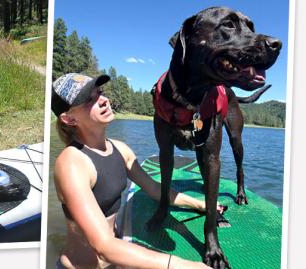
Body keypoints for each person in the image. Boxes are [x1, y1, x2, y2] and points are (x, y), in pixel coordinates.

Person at [52, 73, 222, 269]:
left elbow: (154, 189)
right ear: (69, 119)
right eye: (90, 100)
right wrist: (180, 265)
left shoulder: (120, 149)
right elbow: (103, 245)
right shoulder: (71, 163)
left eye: (100, 92)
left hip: (115, 261)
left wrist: (201, 204)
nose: (103, 100)